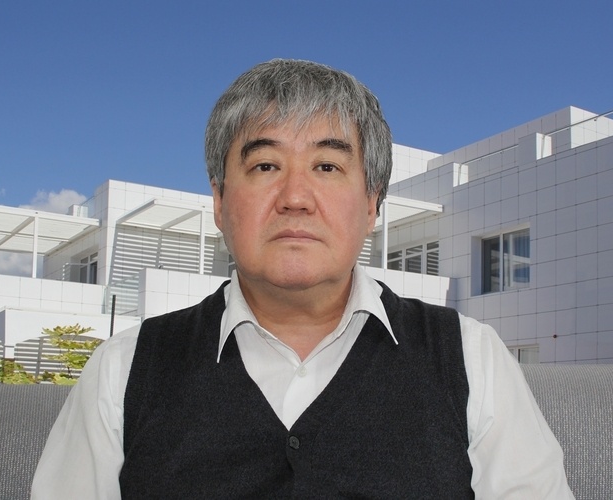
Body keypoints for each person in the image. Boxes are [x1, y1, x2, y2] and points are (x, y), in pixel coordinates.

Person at [31, 59, 573, 499]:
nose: (295, 197)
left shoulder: (471, 358)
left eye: (327, 167)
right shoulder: (124, 370)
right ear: (219, 201)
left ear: (371, 204)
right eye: (265, 166)